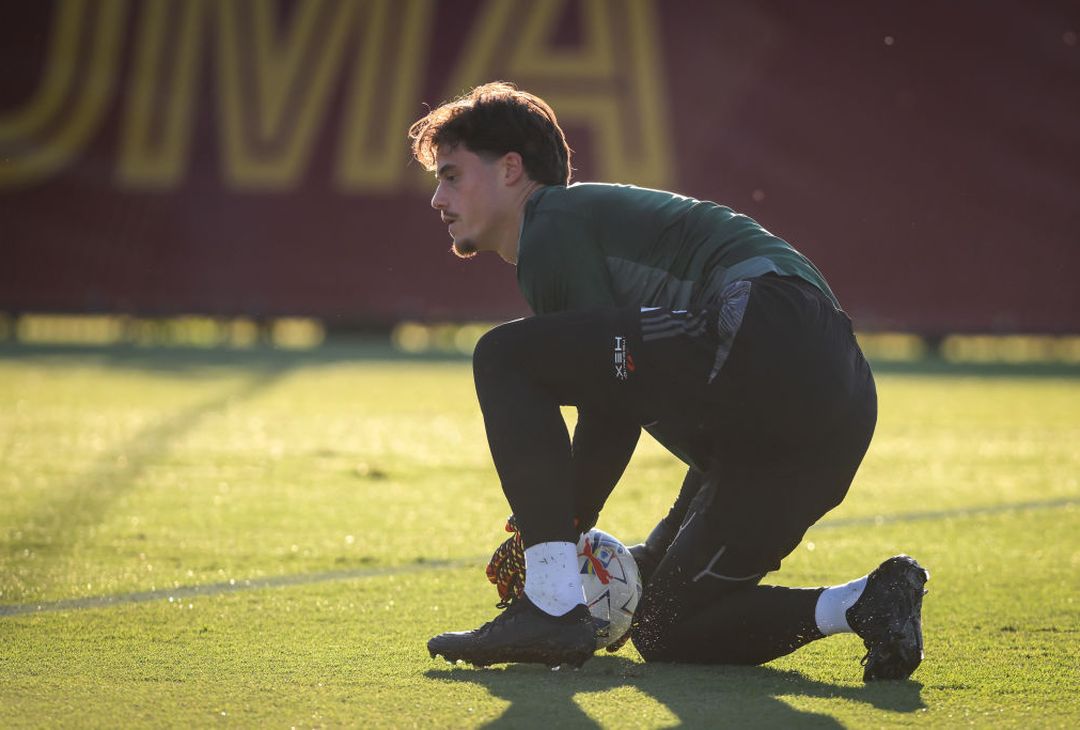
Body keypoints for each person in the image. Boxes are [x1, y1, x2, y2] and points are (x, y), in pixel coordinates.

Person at [408, 81, 929, 680]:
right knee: (666, 625)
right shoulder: (570, 232)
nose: (438, 199)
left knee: (502, 356)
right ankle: (866, 604)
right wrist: (588, 539)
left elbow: (611, 403)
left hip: (769, 324)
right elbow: (626, 392)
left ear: (510, 169)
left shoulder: (550, 220)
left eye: (451, 175)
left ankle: (550, 605)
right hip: (837, 406)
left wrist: (553, 537)